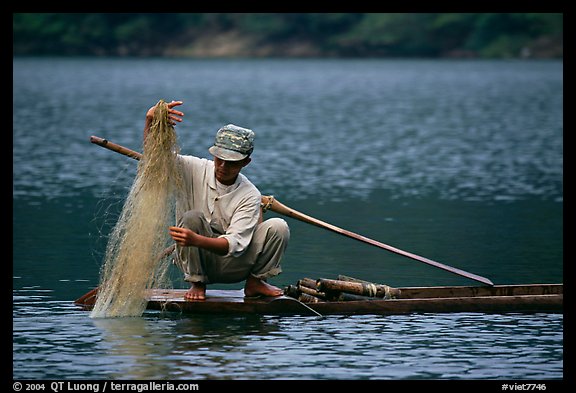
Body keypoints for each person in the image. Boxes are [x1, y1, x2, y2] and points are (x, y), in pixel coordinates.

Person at [143, 100, 290, 301]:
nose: (223, 166)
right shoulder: (192, 168)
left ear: (246, 162)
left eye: (232, 163)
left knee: (278, 227)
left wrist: (196, 240)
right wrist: (150, 121)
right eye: (219, 159)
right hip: (196, 262)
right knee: (191, 217)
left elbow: (233, 245)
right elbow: (155, 161)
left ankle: (255, 282)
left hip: (234, 265)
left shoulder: (249, 195)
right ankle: (197, 282)